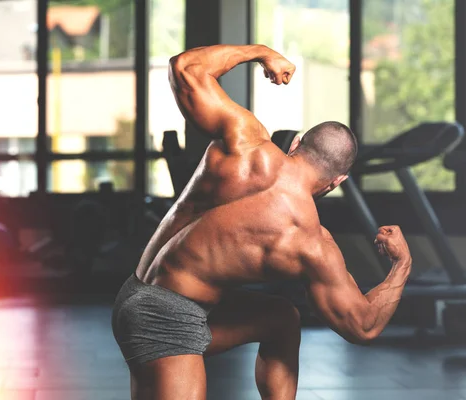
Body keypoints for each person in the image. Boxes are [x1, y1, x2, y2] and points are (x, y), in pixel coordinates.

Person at [111, 44, 412, 400]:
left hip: (134, 292)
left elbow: (185, 68)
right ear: (337, 182)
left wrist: (261, 53)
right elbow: (363, 325)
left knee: (281, 319)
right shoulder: (311, 244)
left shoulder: (246, 140)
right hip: (168, 319)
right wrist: (401, 264)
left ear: (297, 143)